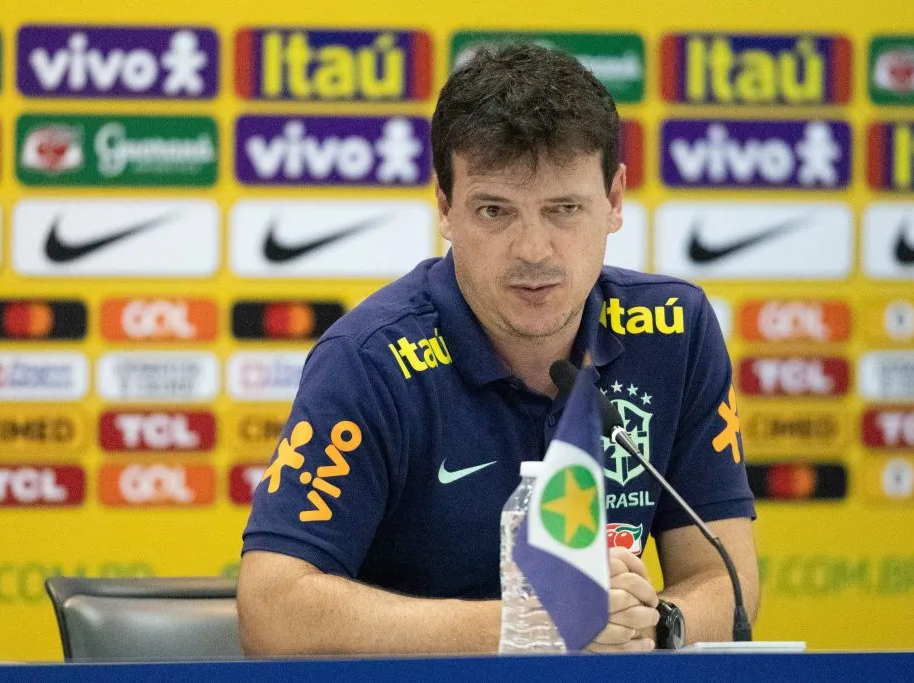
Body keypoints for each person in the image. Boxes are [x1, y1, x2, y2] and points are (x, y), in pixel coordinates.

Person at [237, 43, 759, 656]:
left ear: (615, 201)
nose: (533, 250)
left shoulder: (674, 331)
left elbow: (725, 576)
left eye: (564, 209)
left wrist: (653, 624)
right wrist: (530, 629)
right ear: (444, 208)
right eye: (494, 211)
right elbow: (272, 612)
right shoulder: (369, 360)